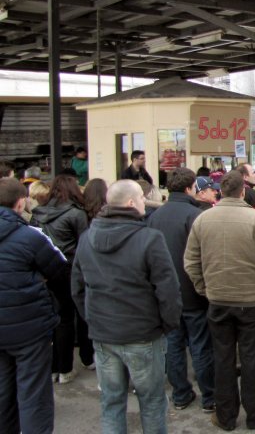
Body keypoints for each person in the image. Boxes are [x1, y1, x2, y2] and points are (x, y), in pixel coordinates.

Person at [72, 179, 181, 434]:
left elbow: (77, 287)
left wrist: (92, 319)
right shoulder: (150, 238)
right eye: (142, 199)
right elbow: (168, 289)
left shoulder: (87, 238)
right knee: (152, 401)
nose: (145, 202)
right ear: (131, 203)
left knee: (111, 402)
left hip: (104, 333)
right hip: (142, 334)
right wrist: (167, 325)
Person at [184, 171, 255, 431]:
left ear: (220, 192)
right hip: (251, 301)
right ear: (242, 192)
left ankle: (225, 416)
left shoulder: (203, 220)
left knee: (223, 358)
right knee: (250, 359)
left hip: (218, 300)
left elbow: (191, 262)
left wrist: (203, 287)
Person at [0, 178, 67, 434]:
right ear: (20, 203)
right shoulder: (30, 236)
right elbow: (60, 269)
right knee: (34, 396)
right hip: (30, 330)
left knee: (3, 392)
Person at [147, 168, 215, 413]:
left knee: (173, 346)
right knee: (200, 345)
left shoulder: (155, 216)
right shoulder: (196, 215)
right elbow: (205, 256)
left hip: (165, 294)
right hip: (193, 292)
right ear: (190, 189)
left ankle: (180, 394)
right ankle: (209, 396)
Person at [30, 174, 91, 381]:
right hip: (71, 270)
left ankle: (56, 367)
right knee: (75, 316)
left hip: (45, 271)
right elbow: (85, 245)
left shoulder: (38, 212)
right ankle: (70, 366)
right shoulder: (76, 214)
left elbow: (33, 241)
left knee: (55, 318)